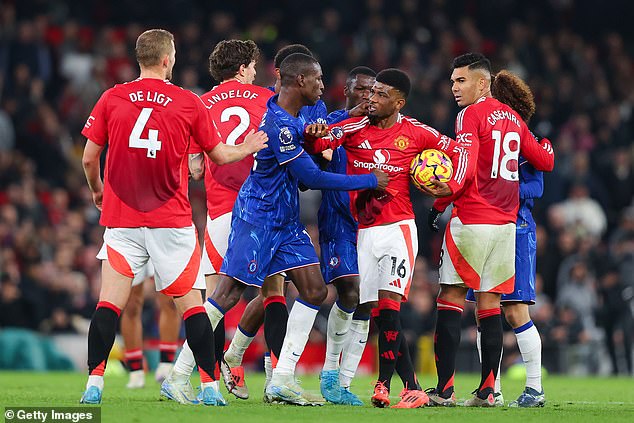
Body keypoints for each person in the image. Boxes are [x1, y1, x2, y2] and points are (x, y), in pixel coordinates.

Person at [174, 52, 387, 407]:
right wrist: (368, 179)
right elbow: (311, 177)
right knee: (227, 295)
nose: (323, 85)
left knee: (315, 290)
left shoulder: (301, 115)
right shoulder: (277, 124)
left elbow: (319, 142)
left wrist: (331, 128)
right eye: (318, 79)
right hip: (258, 216)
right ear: (300, 81)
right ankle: (178, 374)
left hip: (286, 219)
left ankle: (282, 379)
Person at [79, 28, 267, 406]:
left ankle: (93, 386)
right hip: (171, 222)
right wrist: (247, 145)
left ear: (139, 58)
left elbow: (88, 157)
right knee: (193, 308)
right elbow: (218, 157)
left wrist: (98, 191)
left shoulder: (112, 97)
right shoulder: (187, 102)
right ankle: (211, 389)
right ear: (168, 59)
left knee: (108, 305)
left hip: (122, 221)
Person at [304, 68, 467, 409]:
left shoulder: (417, 132)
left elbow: (459, 153)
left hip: (399, 229)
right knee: (375, 312)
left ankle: (383, 384)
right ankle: (409, 386)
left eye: (380, 95)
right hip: (365, 232)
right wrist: (316, 133)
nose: (371, 99)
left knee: (390, 308)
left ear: (398, 102)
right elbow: (319, 143)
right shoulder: (354, 128)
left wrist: (450, 188)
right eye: (371, 92)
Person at [423, 53, 554, 407]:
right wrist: (545, 144)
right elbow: (545, 161)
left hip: (473, 220)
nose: (454, 88)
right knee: (490, 304)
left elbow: (462, 168)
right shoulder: (513, 118)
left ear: (483, 83)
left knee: (450, 298)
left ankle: (445, 390)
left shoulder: (470, 115)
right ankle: (487, 392)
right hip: (506, 228)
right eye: (452, 81)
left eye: (461, 81)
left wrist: (439, 201)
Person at [161, 39, 281, 404]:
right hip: (259, 210)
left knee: (214, 300)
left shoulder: (199, 104)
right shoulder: (266, 99)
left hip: (219, 213)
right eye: (254, 66)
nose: (256, 72)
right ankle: (275, 375)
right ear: (243, 68)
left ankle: (209, 384)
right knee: (273, 290)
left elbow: (195, 167)